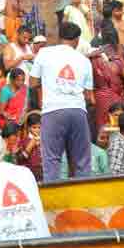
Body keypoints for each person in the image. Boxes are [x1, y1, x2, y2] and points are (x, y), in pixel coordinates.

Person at [29, 22, 94, 181]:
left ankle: (53, 195)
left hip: (53, 112)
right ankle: (83, 194)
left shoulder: (44, 53)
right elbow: (89, 96)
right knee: (81, 162)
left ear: (59, 37)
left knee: (52, 160)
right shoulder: (84, 60)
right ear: (77, 40)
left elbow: (32, 83)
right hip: (78, 111)